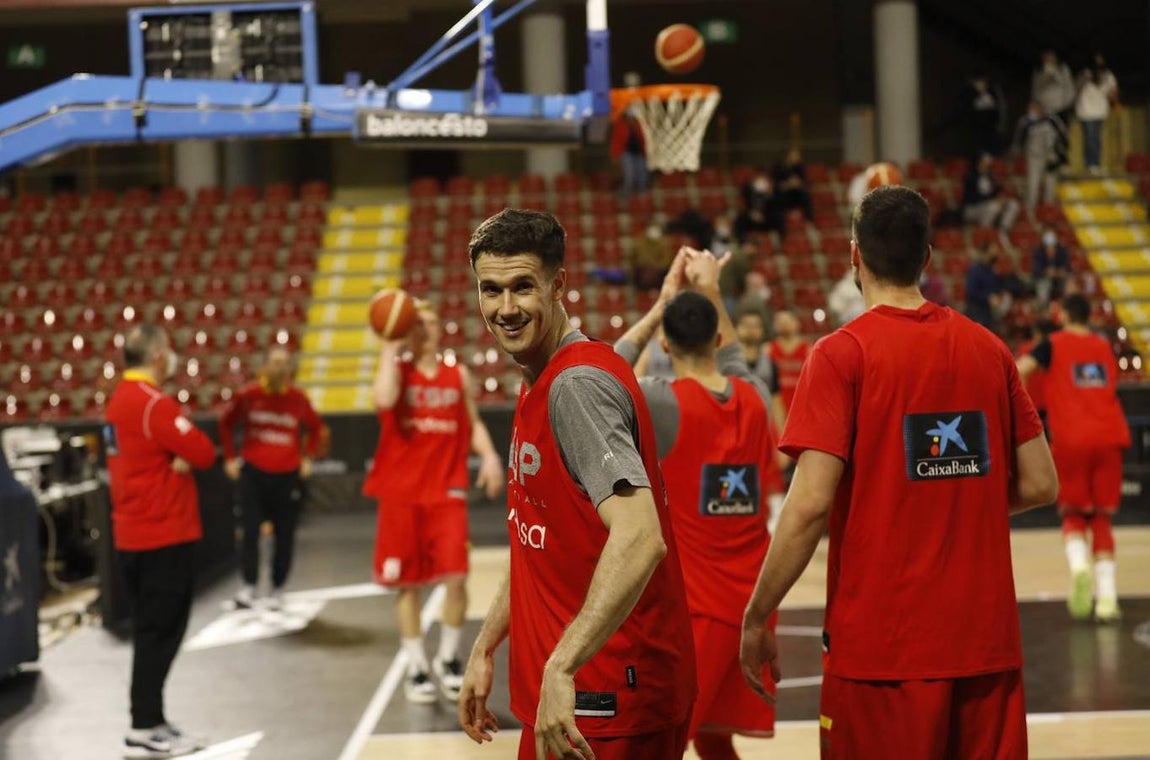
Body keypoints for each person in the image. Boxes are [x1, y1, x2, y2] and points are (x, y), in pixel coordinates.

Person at [739, 186, 1058, 759]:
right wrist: (955, 496)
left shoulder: (841, 354)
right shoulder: (990, 350)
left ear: (854, 255)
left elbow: (809, 505)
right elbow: (1039, 484)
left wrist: (759, 613)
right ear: (928, 259)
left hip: (883, 653)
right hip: (986, 649)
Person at [458, 209, 696, 760]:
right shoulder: (547, 371)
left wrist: (562, 664)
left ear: (558, 284)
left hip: (603, 701)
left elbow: (641, 537)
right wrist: (487, 643)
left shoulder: (574, 389)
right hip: (579, 697)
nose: (506, 308)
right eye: (490, 290)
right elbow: (537, 540)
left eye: (523, 287)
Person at [614, 250, 781, 760]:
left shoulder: (661, 401)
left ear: (665, 343)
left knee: (658, 739)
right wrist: (710, 289)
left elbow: (601, 372)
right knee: (713, 738)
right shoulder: (753, 396)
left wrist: (661, 303)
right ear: (716, 337)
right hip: (753, 604)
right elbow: (734, 361)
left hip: (694, 610)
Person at [364, 302, 505, 703]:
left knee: (457, 579)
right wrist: (391, 346)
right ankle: (417, 666)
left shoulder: (456, 375)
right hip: (401, 496)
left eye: (428, 323)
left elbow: (473, 420)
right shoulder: (398, 371)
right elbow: (384, 398)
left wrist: (490, 456)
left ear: (440, 329)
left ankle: (447, 658)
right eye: (415, 325)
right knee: (406, 585)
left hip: (446, 491)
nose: (423, 331)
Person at [104, 325, 217, 758]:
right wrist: (179, 456)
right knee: (161, 632)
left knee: (152, 632)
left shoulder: (117, 401)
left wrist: (172, 456)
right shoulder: (154, 404)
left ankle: (151, 719)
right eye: (168, 352)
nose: (171, 360)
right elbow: (204, 452)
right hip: (161, 534)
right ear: (156, 356)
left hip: (132, 534)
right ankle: (144, 725)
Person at [1017, 294, 1131, 623]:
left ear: (1063, 314)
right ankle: (1108, 600)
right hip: (1110, 436)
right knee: (1102, 519)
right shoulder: (1102, 346)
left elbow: (1019, 369)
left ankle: (1080, 568)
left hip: (1072, 439)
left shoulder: (1052, 343)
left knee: (1073, 514)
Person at [218, 346, 324, 610]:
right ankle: (249, 586)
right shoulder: (249, 395)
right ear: (264, 366)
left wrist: (307, 457)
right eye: (274, 363)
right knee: (250, 531)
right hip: (253, 473)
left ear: (291, 368)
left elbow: (316, 428)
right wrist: (230, 457)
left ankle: (277, 587)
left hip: (287, 475)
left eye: (284, 363)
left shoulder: (298, 398)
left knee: (285, 534)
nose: (279, 368)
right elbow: (226, 423)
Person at [1015, 101, 1067, 216]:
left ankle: (1048, 214)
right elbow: (1019, 140)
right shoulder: (1025, 122)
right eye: (1030, 109)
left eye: (1035, 109)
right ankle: (1030, 214)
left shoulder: (1052, 120)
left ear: (1040, 109)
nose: (1032, 112)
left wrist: (1061, 158)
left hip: (1051, 157)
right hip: (1034, 157)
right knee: (1033, 185)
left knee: (1050, 187)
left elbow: (1063, 136)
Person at [1076, 55, 1119, 175]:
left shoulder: (1108, 75)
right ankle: (1090, 165)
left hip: (1100, 111)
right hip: (1086, 111)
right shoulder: (1085, 74)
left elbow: (1113, 92)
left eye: (1101, 59)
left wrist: (1114, 98)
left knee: (1097, 139)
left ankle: (1096, 164)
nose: (1099, 62)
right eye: (1097, 60)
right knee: (1089, 139)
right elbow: (1077, 88)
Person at [767, 310, 809, 428]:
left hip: (801, 406)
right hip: (776, 406)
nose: (784, 324)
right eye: (780, 321)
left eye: (787, 321)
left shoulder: (809, 350)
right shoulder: (767, 350)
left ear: (797, 324)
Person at [961, 152, 1020, 233]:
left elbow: (992, 192)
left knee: (1013, 204)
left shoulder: (989, 175)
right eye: (986, 161)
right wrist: (992, 200)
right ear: (980, 161)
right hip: (972, 208)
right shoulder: (970, 176)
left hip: (987, 204)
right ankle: (985, 231)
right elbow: (972, 197)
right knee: (993, 207)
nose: (988, 163)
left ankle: (1003, 230)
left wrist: (1000, 196)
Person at [965, 243, 1006, 332]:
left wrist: (999, 296)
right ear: (985, 253)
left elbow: (996, 287)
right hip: (976, 310)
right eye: (992, 253)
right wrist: (988, 298)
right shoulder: (975, 270)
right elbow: (971, 291)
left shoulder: (992, 270)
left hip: (989, 311)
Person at [611, 107, 648, 198]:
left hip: (639, 153)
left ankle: (641, 199)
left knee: (643, 176)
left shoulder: (640, 126)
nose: (631, 120)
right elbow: (616, 142)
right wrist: (615, 157)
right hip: (626, 153)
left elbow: (644, 141)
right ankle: (624, 198)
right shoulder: (620, 126)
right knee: (629, 176)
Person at [1031, 50, 1076, 126]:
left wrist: (1069, 103)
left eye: (1051, 56)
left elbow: (1068, 86)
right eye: (1046, 57)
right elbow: (1035, 89)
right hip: (1044, 109)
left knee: (1062, 132)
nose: (1049, 59)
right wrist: (1036, 104)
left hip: (1061, 108)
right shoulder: (1039, 71)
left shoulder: (1062, 69)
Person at [735, 170, 782, 241]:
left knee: (778, 218)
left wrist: (769, 193)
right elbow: (744, 204)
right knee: (740, 220)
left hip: (767, 217)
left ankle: (779, 242)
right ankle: (743, 242)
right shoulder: (748, 191)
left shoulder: (772, 192)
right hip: (751, 217)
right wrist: (751, 213)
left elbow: (776, 207)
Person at [967, 74, 1007, 156]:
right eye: (977, 83)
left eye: (981, 82)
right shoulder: (971, 96)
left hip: (991, 129)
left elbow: (1000, 110)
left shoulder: (994, 93)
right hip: (978, 130)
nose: (979, 85)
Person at [1032, 225, 1071, 307]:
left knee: (1070, 282)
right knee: (1044, 285)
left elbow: (1067, 267)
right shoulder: (1038, 251)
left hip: (1060, 278)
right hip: (1044, 278)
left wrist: (1060, 271)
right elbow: (1036, 270)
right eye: (1047, 234)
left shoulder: (1062, 250)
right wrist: (1046, 271)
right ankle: (1044, 308)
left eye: (1052, 234)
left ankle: (1068, 307)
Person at [772, 147, 813, 220]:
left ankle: (809, 219)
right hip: (783, 191)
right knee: (781, 194)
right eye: (796, 155)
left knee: (805, 194)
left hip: (795, 190)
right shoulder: (779, 166)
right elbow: (776, 183)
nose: (798, 158)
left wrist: (798, 183)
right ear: (789, 155)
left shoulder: (799, 167)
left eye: (798, 156)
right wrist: (788, 184)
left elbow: (804, 181)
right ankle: (786, 213)